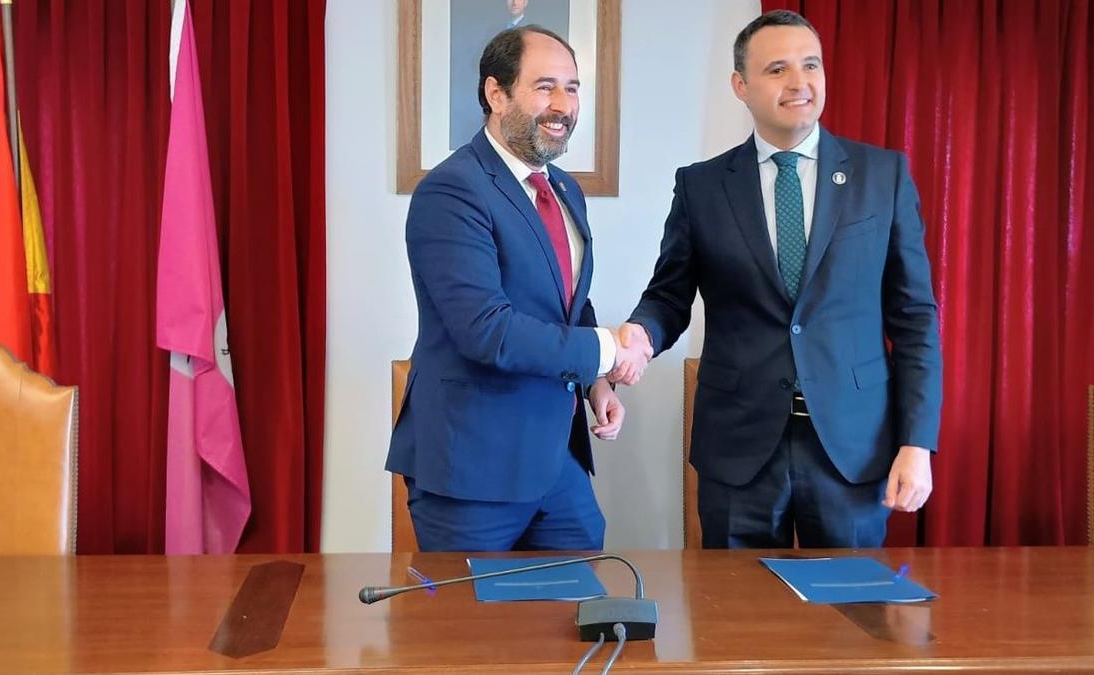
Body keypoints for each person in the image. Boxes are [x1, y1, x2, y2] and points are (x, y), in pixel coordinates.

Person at [618, 10, 943, 548]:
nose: (799, 82)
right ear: (740, 86)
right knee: (734, 622)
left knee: (851, 623)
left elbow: (914, 318)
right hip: (739, 446)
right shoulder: (702, 186)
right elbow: (669, 295)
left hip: (851, 447)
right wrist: (640, 333)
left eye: (810, 65)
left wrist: (917, 442)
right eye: (777, 69)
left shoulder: (881, 176)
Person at [387, 26, 647, 552]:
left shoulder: (564, 187)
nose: (563, 105)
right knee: (473, 630)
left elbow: (568, 304)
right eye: (544, 86)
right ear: (496, 93)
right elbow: (488, 331)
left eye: (572, 88)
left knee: (582, 614)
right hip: (472, 467)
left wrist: (597, 382)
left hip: (557, 459)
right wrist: (608, 349)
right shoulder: (452, 189)